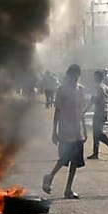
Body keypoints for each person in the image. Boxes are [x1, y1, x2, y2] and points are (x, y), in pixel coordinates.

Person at [42, 64, 88, 198]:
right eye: (73, 74)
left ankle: (68, 189)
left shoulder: (81, 90)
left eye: (77, 75)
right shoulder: (62, 90)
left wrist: (84, 130)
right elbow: (57, 111)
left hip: (77, 130)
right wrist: (54, 131)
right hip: (65, 130)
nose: (75, 77)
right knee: (64, 158)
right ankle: (49, 176)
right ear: (69, 75)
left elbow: (81, 112)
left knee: (75, 162)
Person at [88, 68, 108, 160]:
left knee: (97, 133)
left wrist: (84, 111)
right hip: (104, 113)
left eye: (94, 76)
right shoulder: (106, 88)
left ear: (97, 77)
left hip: (98, 113)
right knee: (97, 133)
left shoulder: (97, 87)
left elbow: (92, 101)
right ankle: (96, 153)